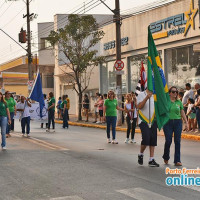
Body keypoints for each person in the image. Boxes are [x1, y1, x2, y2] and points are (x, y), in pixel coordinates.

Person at [162, 86, 188, 166]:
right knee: (168, 140)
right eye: (173, 92)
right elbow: (161, 111)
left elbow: (182, 112)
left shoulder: (179, 102)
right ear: (169, 93)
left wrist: (186, 122)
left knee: (177, 141)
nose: (175, 93)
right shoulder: (166, 101)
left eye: (176, 92)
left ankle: (177, 160)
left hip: (178, 122)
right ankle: (166, 156)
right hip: (168, 123)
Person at [137, 89, 159, 167]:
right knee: (146, 139)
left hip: (153, 120)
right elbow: (139, 106)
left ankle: (151, 159)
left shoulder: (155, 95)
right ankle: (141, 154)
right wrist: (147, 97)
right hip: (143, 120)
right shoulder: (141, 94)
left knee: (153, 140)